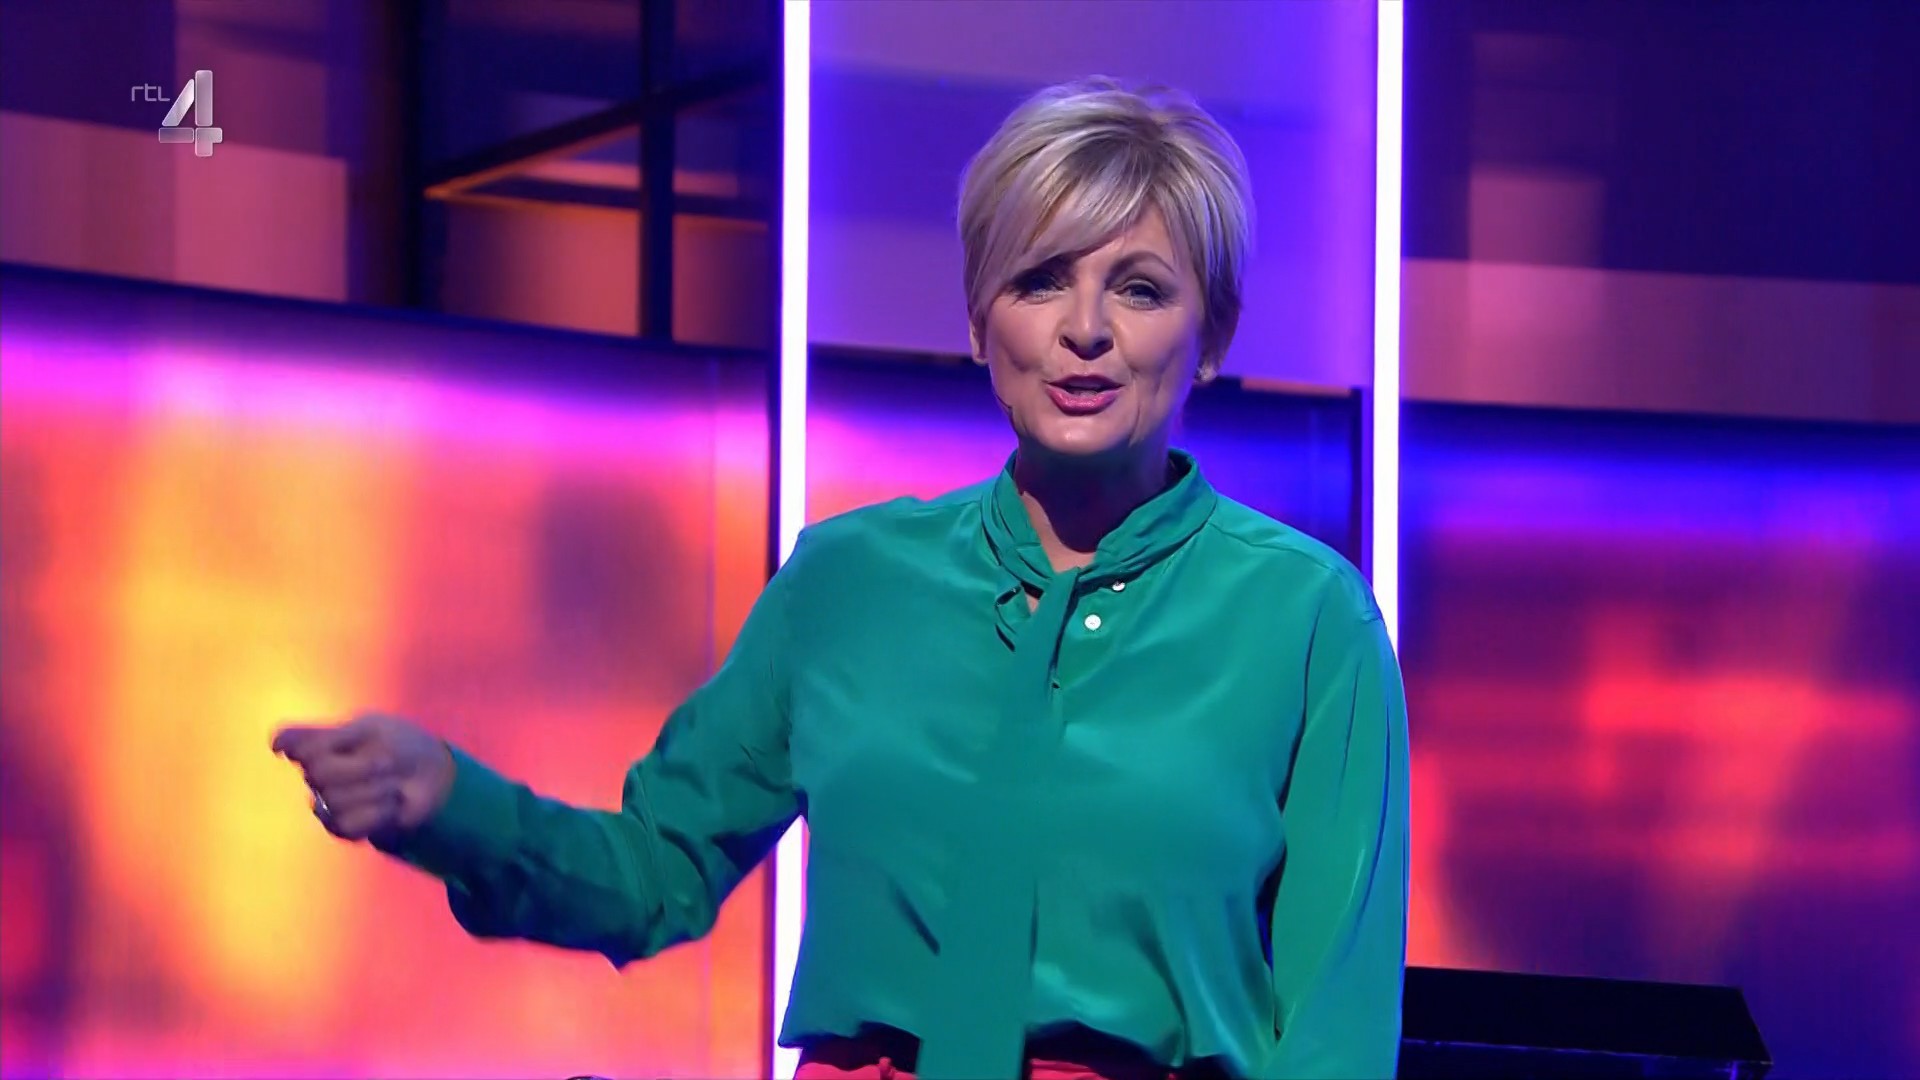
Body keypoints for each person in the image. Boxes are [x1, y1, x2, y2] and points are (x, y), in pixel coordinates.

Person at [273, 77, 1410, 1080]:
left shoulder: (1308, 621)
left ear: (1213, 335)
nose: (1085, 330)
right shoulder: (848, 581)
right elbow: (655, 871)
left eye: (1141, 290)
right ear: (979, 323)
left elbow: (1335, 1033)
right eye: (1039, 281)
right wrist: (451, 805)